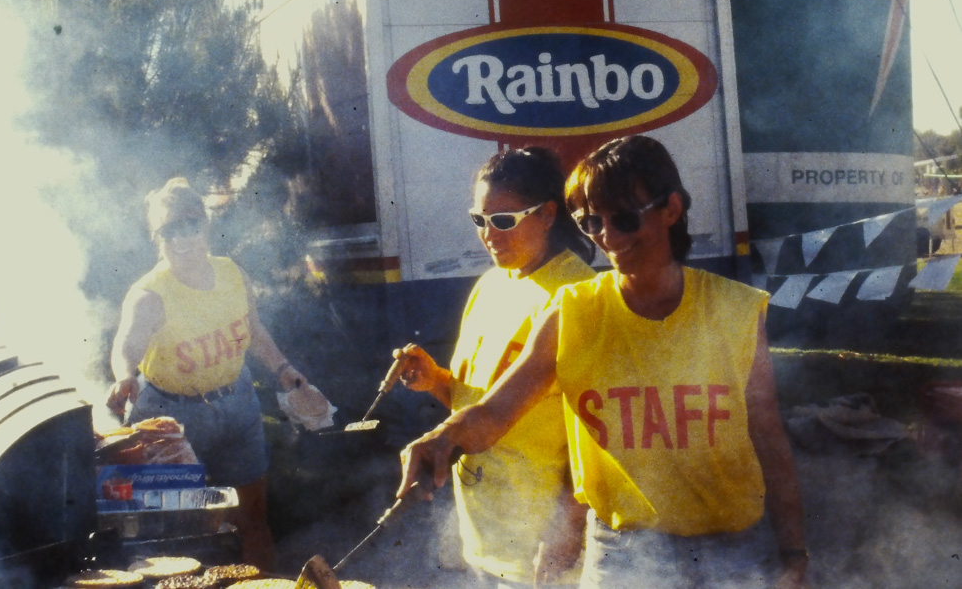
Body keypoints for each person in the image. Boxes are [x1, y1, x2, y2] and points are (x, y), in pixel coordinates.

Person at [398, 136, 809, 589]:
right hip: (622, 553)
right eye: (592, 222)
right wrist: (442, 436)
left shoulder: (735, 309)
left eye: (625, 219)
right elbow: (496, 411)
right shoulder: (572, 311)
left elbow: (768, 436)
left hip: (731, 548)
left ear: (672, 209)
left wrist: (793, 554)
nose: (609, 238)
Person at [393, 147, 596, 588]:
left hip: (541, 541)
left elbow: (599, 436)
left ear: (546, 214)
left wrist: (567, 532)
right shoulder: (490, 285)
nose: (489, 234)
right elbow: (476, 404)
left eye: (503, 220)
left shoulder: (577, 295)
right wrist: (435, 381)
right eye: (479, 220)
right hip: (485, 532)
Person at [105, 177, 313, 570]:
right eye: (170, 231)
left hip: (237, 405)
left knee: (252, 518)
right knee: (178, 534)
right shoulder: (149, 294)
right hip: (172, 420)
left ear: (205, 225)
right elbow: (126, 343)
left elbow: (253, 328)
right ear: (157, 238)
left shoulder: (232, 273)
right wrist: (124, 375)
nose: (182, 238)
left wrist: (283, 369)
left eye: (190, 225)